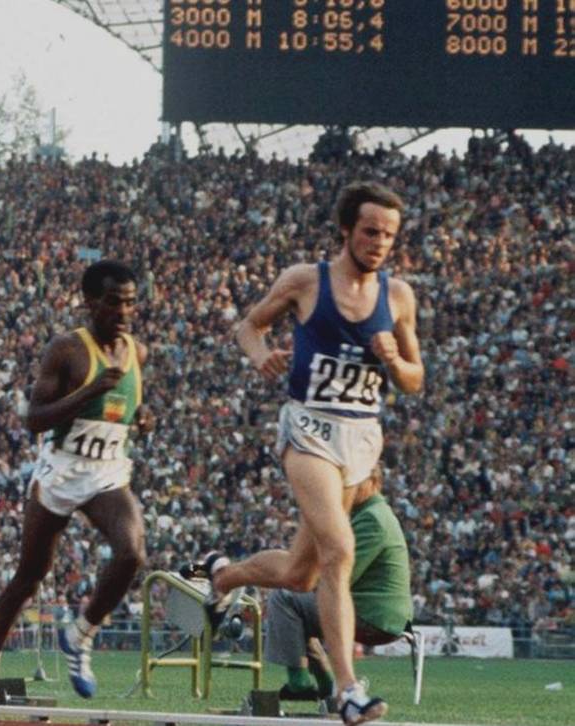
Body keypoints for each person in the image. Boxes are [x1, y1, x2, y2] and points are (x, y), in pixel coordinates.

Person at [205, 181, 423, 725]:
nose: (379, 242)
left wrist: (395, 363)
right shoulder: (306, 281)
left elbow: (416, 379)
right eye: (370, 231)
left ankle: (224, 577)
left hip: (361, 439)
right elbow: (249, 326)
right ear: (347, 229)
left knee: (302, 574)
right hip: (308, 430)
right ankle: (349, 689)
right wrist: (260, 357)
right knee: (340, 549)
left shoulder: (398, 297)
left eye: (389, 235)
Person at [0, 260, 148, 722]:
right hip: (61, 470)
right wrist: (86, 394)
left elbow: (123, 410)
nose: (124, 310)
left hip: (106, 471)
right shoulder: (67, 350)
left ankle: (80, 635)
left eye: (130, 301)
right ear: (91, 302)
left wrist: (142, 421)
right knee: (29, 577)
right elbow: (34, 419)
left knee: (131, 554)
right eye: (114, 301)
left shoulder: (136, 352)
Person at [201, 471, 412, 700]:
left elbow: (336, 578)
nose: (345, 488)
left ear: (373, 482)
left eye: (352, 483)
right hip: (375, 611)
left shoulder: (372, 519)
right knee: (298, 597)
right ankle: (326, 684)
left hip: (374, 615)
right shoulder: (367, 513)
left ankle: (298, 682)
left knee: (284, 598)